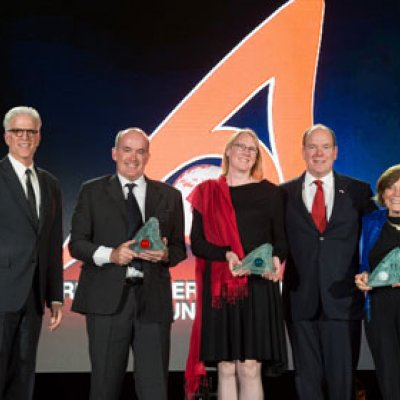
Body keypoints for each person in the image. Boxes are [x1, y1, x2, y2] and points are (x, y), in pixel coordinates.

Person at [70, 127, 186, 400]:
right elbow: (77, 243)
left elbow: (179, 248)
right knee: (104, 388)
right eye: (127, 149)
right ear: (114, 153)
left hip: (153, 302)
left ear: (148, 156)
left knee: (155, 389)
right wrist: (111, 254)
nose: (133, 157)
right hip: (106, 301)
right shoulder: (92, 191)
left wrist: (166, 255)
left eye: (140, 151)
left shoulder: (169, 196)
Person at [185, 128, 288, 400]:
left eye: (252, 149)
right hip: (221, 290)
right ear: (228, 151)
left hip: (257, 287)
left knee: (251, 367)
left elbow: (282, 241)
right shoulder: (206, 192)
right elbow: (197, 243)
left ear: (256, 158)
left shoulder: (271, 193)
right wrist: (226, 255)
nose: (246, 152)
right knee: (226, 367)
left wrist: (276, 259)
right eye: (241, 146)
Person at [281, 123, 376, 400]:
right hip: (300, 299)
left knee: (342, 381)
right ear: (303, 152)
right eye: (312, 147)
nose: (318, 153)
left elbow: (373, 239)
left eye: (325, 147)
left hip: (343, 300)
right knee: (306, 381)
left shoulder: (358, 191)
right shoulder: (283, 193)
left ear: (335, 152)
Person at [0, 106, 63, 400]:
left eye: (30, 131)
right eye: (18, 131)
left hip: (34, 295)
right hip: (2, 290)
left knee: (24, 373)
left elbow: (51, 243)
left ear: (39, 137)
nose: (24, 137)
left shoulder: (49, 183)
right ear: (7, 137)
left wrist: (55, 295)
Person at [355, 164, 400, 399]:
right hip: (380, 306)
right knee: (388, 371)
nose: (396, 194)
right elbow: (362, 259)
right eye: (391, 188)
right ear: (383, 193)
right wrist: (362, 274)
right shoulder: (370, 222)